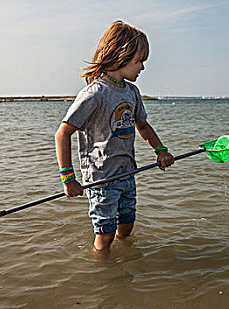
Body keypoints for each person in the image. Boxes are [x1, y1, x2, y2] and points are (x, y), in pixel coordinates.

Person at [55, 21, 174, 251]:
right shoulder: (95, 93)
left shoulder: (132, 92)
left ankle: (124, 261)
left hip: (128, 172)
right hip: (101, 178)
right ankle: (103, 272)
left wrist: (160, 150)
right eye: (139, 61)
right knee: (106, 233)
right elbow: (63, 133)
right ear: (122, 55)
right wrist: (68, 179)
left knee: (127, 225)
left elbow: (143, 125)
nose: (142, 68)